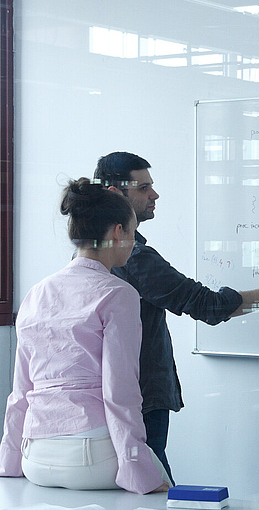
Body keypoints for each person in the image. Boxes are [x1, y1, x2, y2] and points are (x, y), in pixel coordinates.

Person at [93, 151, 259, 483]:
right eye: (143, 188)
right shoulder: (136, 259)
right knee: (151, 492)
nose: (154, 195)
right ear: (116, 194)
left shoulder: (89, 255)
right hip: (139, 402)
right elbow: (208, 305)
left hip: (108, 398)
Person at [0, 179, 170, 493]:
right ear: (118, 232)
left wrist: (8, 464)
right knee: (155, 474)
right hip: (92, 459)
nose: (132, 242)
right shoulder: (119, 294)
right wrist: (139, 473)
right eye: (132, 233)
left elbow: (20, 392)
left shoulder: (36, 294)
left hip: (34, 458)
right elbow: (120, 394)